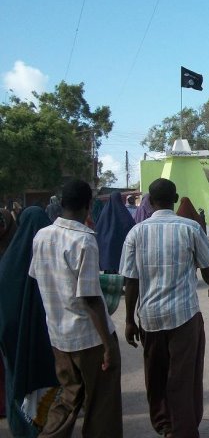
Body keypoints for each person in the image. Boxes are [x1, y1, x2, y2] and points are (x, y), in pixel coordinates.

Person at [120, 178, 209, 437]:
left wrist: (129, 320)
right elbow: (207, 266)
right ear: (174, 199)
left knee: (156, 376)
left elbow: (130, 280)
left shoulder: (136, 232)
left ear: (150, 202)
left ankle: (165, 426)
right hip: (184, 316)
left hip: (150, 318)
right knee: (184, 377)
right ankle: (184, 429)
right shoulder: (190, 228)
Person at [29, 179, 123, 438]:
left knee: (69, 396)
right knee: (102, 403)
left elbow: (38, 278)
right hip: (88, 337)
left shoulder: (41, 236)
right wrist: (108, 346)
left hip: (59, 336)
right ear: (88, 205)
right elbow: (90, 298)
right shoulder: (84, 240)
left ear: (61, 204)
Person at [0, 207, 58, 437]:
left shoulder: (7, 264)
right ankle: (42, 427)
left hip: (12, 337)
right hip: (43, 339)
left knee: (16, 380)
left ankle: (21, 428)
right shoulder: (48, 260)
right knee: (43, 382)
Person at [96, 191, 136, 274]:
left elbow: (98, 230)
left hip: (107, 250)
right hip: (121, 251)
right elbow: (131, 227)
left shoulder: (104, 213)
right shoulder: (125, 213)